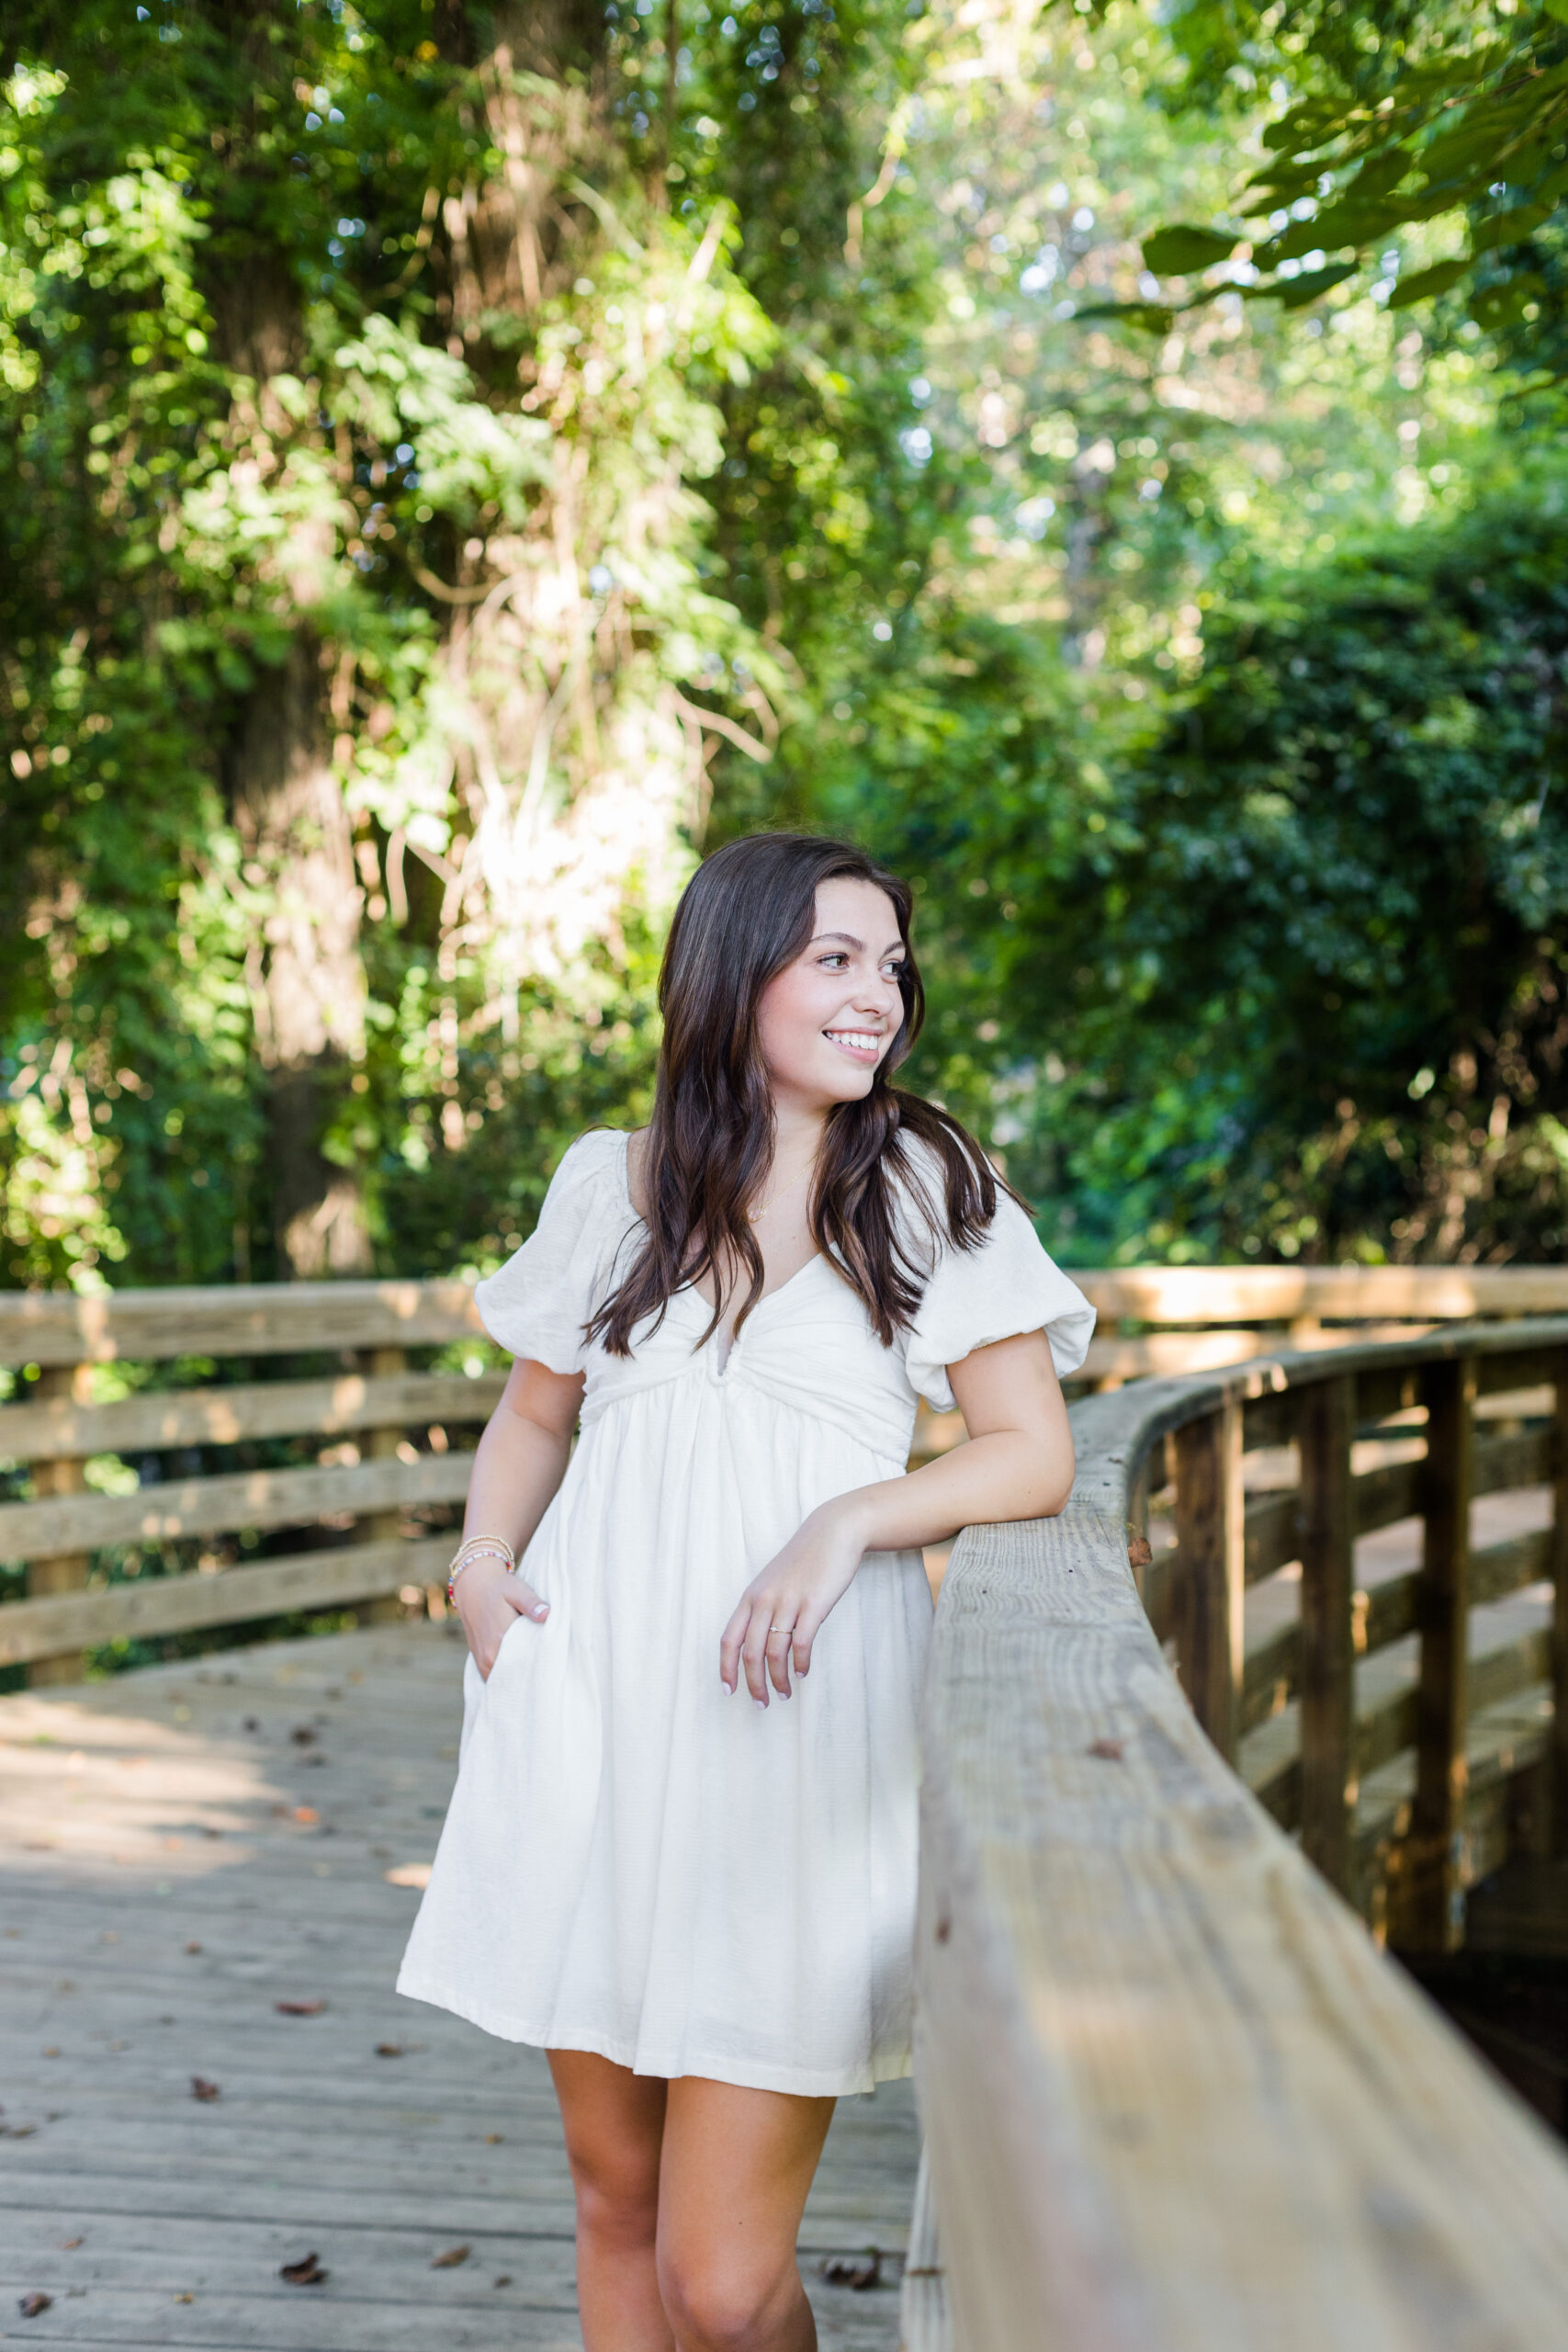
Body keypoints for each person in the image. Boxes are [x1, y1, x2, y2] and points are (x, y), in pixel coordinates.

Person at [398, 831, 1092, 2352]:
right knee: (610, 2201)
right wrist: (480, 1573)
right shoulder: (616, 1181)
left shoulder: (920, 1186)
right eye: (834, 960)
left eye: (891, 965)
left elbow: (1030, 1453)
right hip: (590, 1710)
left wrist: (852, 1517)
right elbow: (534, 1414)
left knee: (720, 2276)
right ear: (734, 975)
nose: (877, 995)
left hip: (794, 1738)